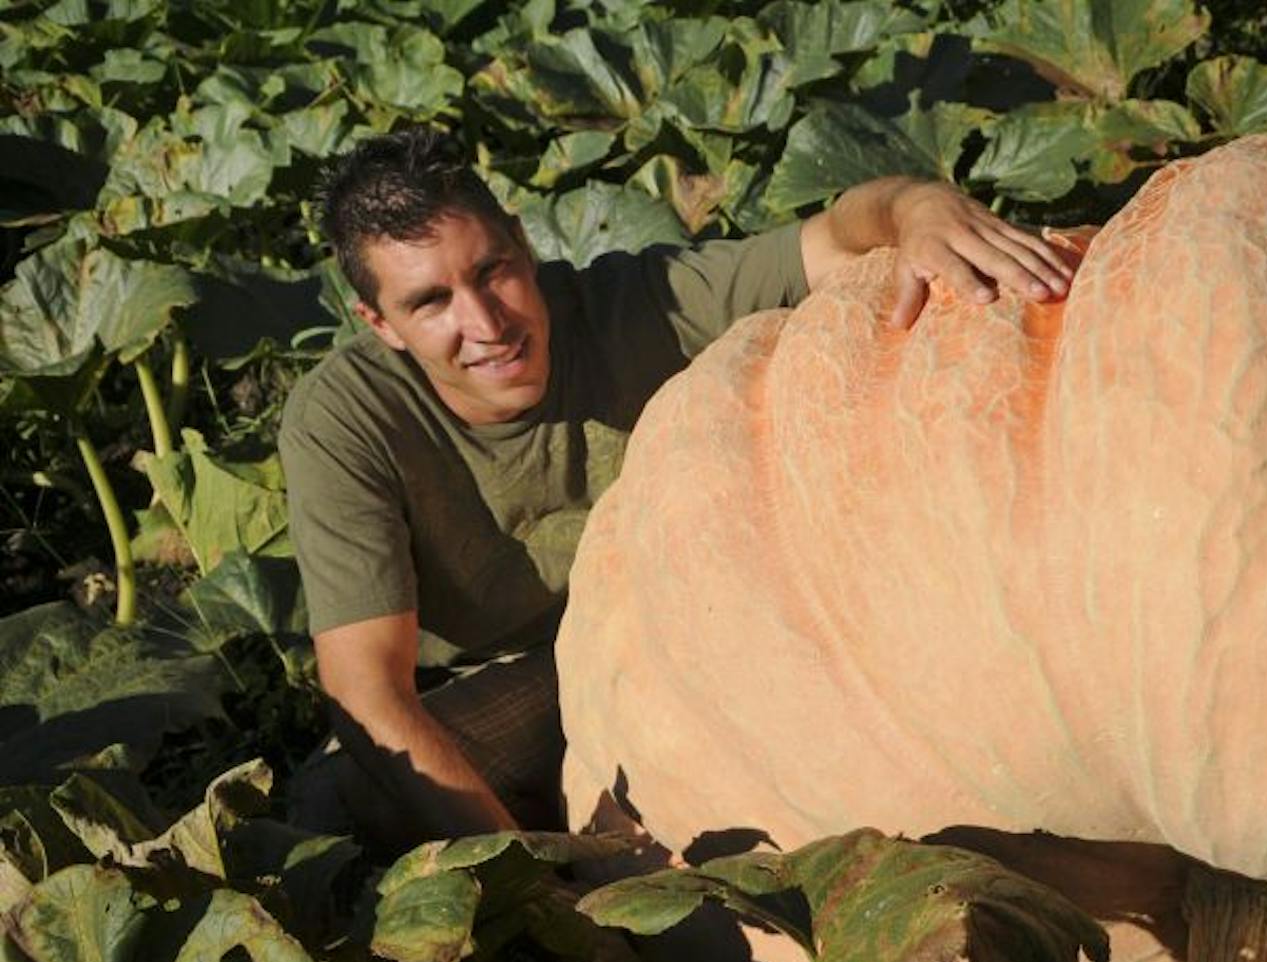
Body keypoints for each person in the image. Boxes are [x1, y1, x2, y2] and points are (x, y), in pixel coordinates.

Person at [281, 128, 1080, 849]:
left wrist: (918, 205)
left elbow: (835, 240)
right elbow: (366, 691)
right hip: (526, 677)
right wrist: (534, 885)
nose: (487, 323)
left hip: (686, 632)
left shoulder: (636, 304)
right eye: (431, 303)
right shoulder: (343, 422)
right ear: (378, 323)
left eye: (493, 272)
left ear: (524, 243)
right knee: (346, 800)